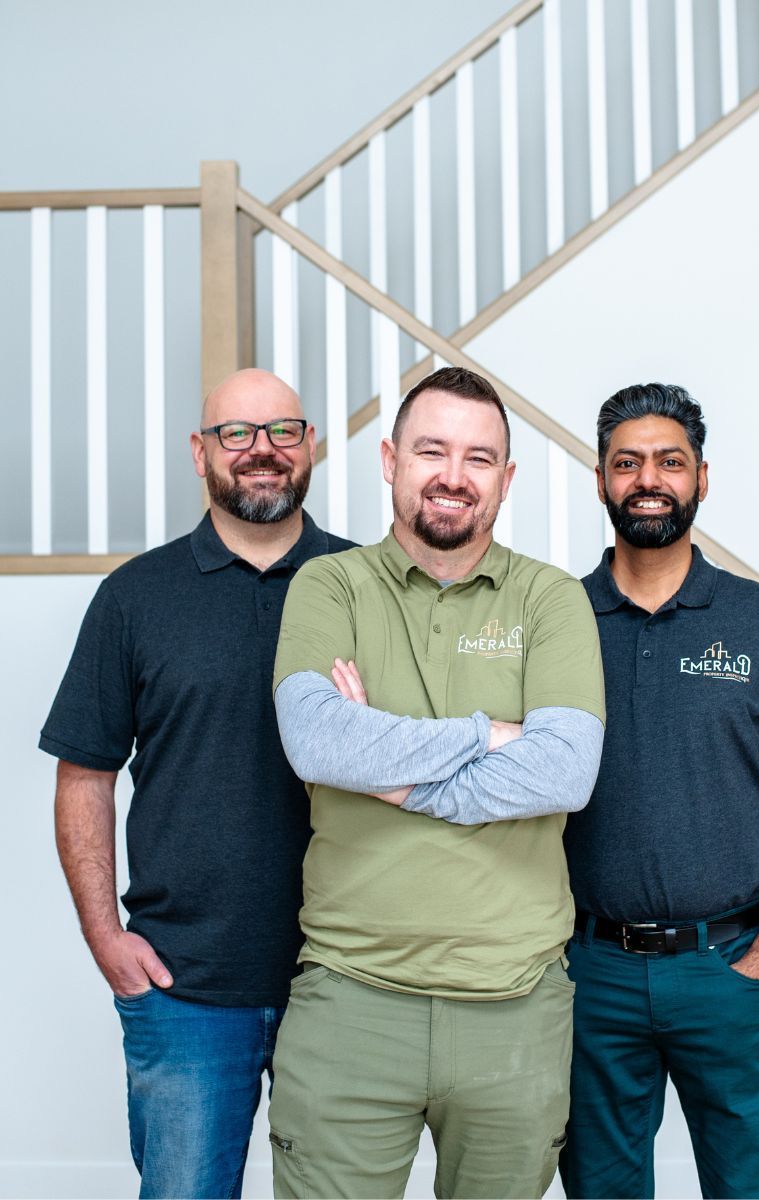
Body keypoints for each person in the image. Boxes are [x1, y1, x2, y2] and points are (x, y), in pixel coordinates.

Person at [268, 365, 605, 1200]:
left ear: (506, 479)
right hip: (351, 999)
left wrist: (387, 775)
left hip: (515, 1006)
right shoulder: (329, 584)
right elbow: (316, 741)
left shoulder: (551, 599)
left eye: (478, 458)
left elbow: (566, 770)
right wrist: (488, 735)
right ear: (390, 460)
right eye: (431, 450)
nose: (454, 475)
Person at [40, 368, 354, 1199]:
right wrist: (104, 935)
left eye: (282, 431)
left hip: (348, 978)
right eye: (236, 433)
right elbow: (84, 775)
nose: (262, 450)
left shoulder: (368, 583)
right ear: (199, 451)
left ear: (309, 445)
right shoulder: (135, 597)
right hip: (185, 987)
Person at [559, 382, 759, 1200]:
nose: (648, 479)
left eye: (670, 462)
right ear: (601, 480)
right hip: (592, 975)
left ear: (702, 478)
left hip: (729, 967)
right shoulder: (555, 619)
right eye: (627, 463)